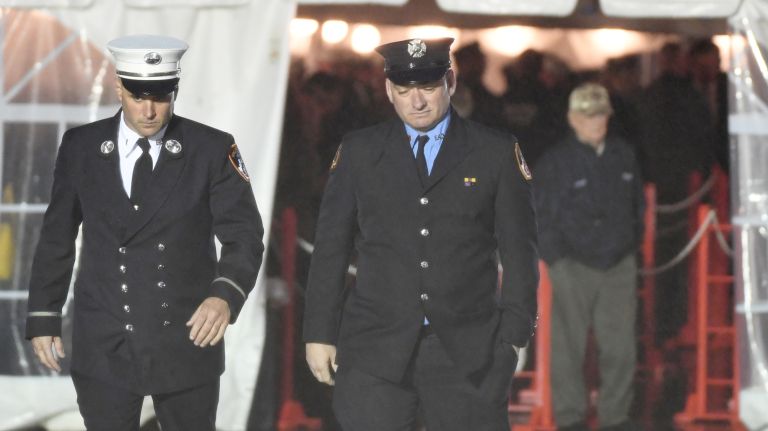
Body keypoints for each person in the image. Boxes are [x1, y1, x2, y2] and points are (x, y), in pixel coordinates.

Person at [25, 35, 264, 431]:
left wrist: (224, 296)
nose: (150, 110)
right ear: (118, 87)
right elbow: (57, 236)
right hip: (105, 338)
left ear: (175, 90)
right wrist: (44, 316)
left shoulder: (210, 148)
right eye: (138, 96)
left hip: (186, 338)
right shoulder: (81, 146)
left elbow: (244, 235)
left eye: (161, 96)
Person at [302, 37, 539, 431]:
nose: (417, 102)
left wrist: (513, 337)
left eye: (427, 87)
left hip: (468, 352)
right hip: (373, 348)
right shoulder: (360, 151)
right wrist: (318, 333)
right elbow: (331, 248)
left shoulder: (494, 152)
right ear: (387, 90)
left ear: (450, 81)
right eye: (403, 89)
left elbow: (520, 250)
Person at [534, 83, 644, 431]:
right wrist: (558, 262)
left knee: (621, 347)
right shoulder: (555, 162)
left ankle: (616, 417)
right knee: (567, 347)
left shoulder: (624, 155)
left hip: (617, 264)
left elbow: (637, 207)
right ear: (572, 119)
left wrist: (630, 249)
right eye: (588, 115)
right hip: (573, 265)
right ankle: (570, 418)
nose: (596, 121)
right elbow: (539, 215)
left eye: (601, 115)